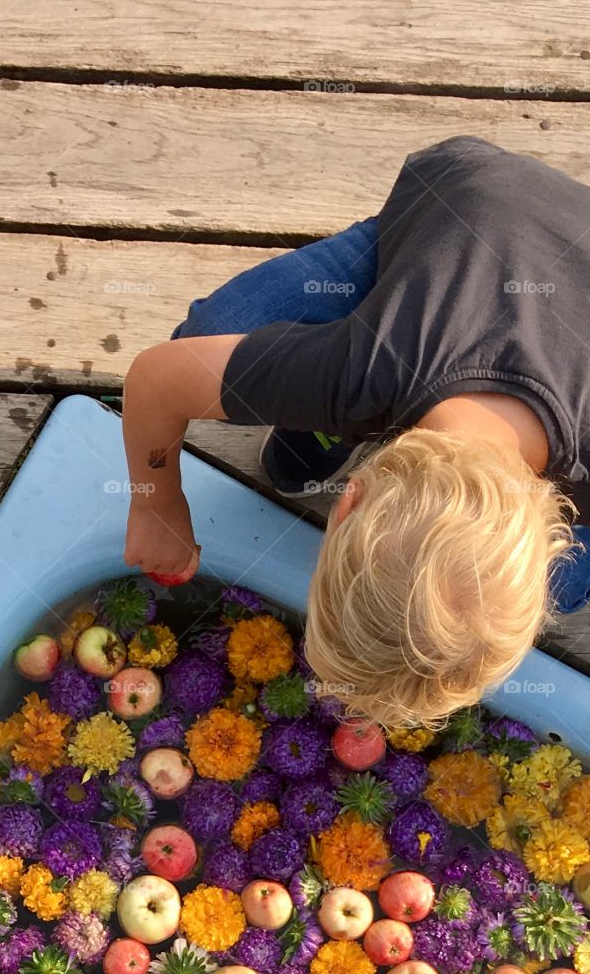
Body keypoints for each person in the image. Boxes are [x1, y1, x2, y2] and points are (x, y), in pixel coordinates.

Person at [122, 135, 589, 726]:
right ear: (346, 503)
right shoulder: (369, 367)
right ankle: (316, 423)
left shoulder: (370, 378)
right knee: (210, 336)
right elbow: (156, 379)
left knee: (566, 591)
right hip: (462, 204)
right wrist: (154, 502)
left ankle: (316, 425)